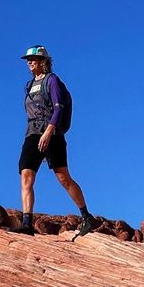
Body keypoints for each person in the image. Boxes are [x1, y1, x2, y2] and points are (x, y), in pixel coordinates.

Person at [16, 45, 96, 237]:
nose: (29, 62)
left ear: (43, 61)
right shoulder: (28, 85)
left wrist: (49, 131)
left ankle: (86, 216)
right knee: (26, 175)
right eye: (28, 59)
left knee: (63, 178)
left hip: (52, 133)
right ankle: (27, 222)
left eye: (33, 59)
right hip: (32, 133)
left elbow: (58, 108)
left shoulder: (52, 80)